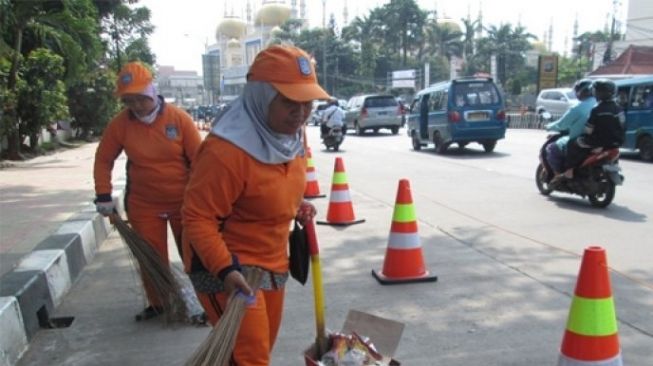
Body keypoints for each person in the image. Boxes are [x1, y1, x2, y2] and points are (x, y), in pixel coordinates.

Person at [181, 45, 326, 365]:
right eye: (289, 101)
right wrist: (225, 269)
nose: (301, 113)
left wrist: (295, 203)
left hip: (273, 264)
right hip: (228, 269)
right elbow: (198, 217)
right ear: (261, 96)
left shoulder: (293, 135)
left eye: (308, 103)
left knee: (258, 350)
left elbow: (272, 184)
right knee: (251, 357)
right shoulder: (225, 152)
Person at [93, 61, 202, 321]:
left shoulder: (179, 119)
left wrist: (207, 199)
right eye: (129, 101)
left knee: (195, 254)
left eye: (141, 98)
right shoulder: (121, 125)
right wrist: (103, 194)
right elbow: (103, 159)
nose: (137, 106)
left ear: (153, 91)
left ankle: (205, 303)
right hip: (144, 203)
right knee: (151, 258)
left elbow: (201, 160)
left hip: (183, 201)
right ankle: (161, 303)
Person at [563, 79, 625, 178]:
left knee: (572, 143)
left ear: (596, 93)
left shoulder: (596, 110)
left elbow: (589, 129)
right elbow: (622, 125)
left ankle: (570, 170)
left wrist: (585, 134)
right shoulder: (618, 109)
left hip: (595, 142)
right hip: (616, 142)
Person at [544, 79, 595, 176]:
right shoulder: (599, 105)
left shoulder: (578, 107)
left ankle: (559, 176)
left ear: (580, 92)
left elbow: (562, 124)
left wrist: (549, 126)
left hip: (581, 139)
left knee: (552, 148)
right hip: (598, 140)